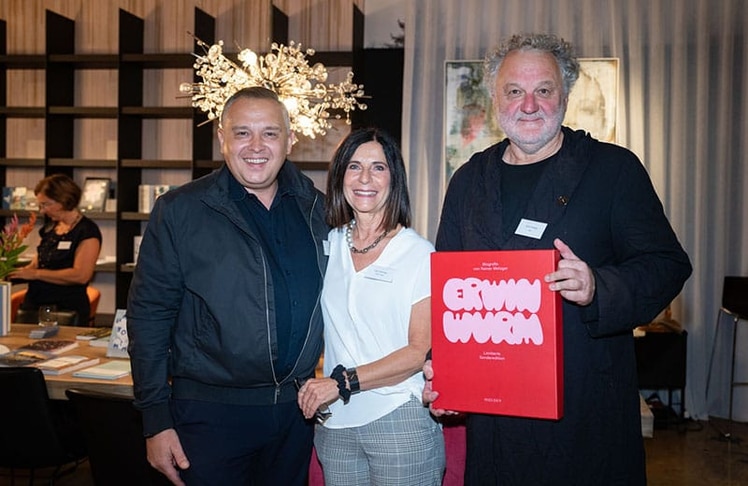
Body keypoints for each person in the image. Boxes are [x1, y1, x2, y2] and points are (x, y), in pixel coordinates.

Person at [423, 33, 692, 485]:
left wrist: (597, 287)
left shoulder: (613, 170)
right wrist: (445, 372)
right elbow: (448, 292)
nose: (529, 105)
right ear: (495, 99)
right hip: (496, 425)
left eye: (543, 90)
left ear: (565, 95)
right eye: (514, 91)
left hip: (585, 418)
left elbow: (667, 264)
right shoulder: (468, 181)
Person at [127, 86, 329, 486]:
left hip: (296, 416)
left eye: (270, 133)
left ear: (290, 140)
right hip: (209, 417)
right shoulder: (182, 210)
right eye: (242, 133)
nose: (256, 146)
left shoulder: (318, 209)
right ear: (222, 138)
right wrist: (155, 419)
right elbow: (149, 315)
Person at [297, 128, 445, 485]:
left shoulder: (418, 253)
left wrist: (342, 382)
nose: (365, 178)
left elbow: (417, 351)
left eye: (378, 168)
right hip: (335, 426)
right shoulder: (327, 245)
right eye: (354, 166)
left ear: (394, 179)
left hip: (398, 417)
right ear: (339, 177)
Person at [11, 174, 102, 326]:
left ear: (63, 200)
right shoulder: (48, 229)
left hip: (67, 310)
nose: (42, 211)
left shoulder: (87, 231)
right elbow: (36, 263)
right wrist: (13, 273)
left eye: (46, 204)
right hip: (33, 307)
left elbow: (81, 275)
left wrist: (36, 274)